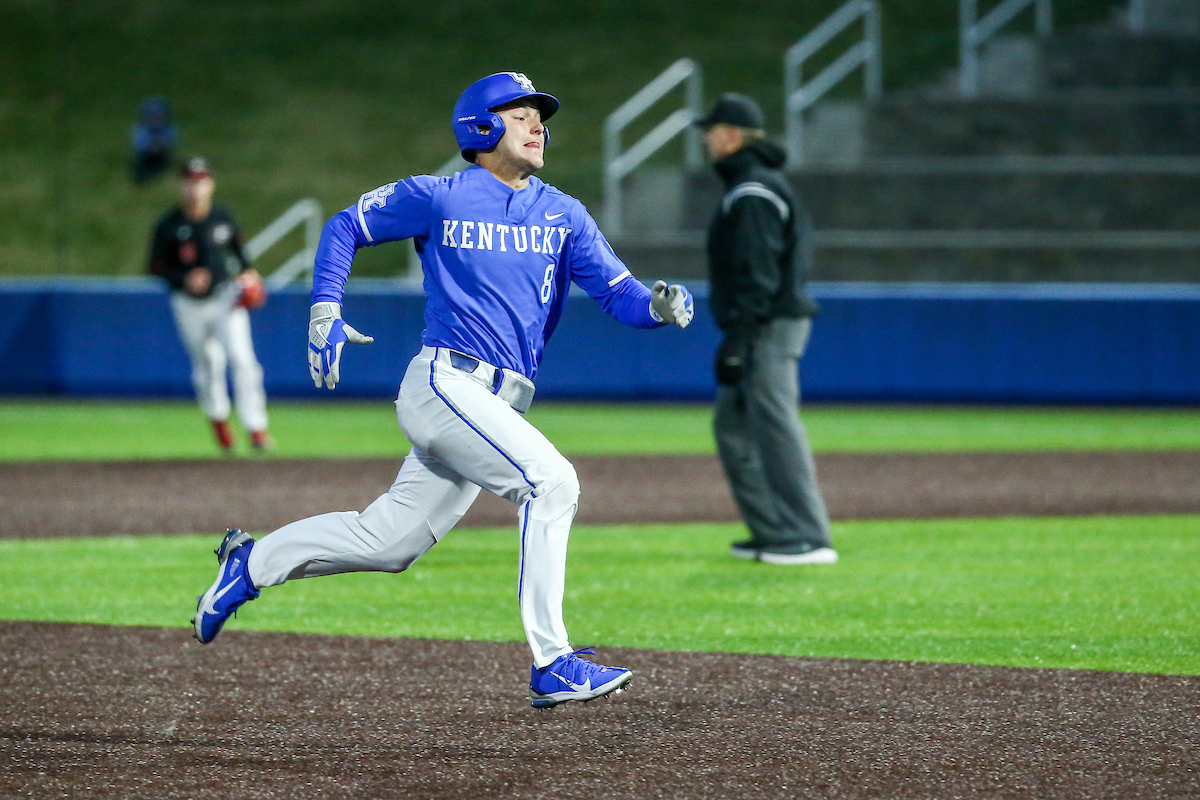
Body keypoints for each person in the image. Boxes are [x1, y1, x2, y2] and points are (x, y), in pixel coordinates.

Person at [190, 72, 694, 708]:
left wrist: (657, 304)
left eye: (542, 116)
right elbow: (346, 224)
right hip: (445, 382)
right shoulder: (439, 196)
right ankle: (553, 660)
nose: (540, 125)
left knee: (389, 541)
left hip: (495, 402)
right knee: (552, 482)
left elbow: (620, 296)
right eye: (521, 115)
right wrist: (324, 310)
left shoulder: (564, 214)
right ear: (481, 127)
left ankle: (251, 564)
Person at [695, 93, 836, 566]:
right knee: (732, 427)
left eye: (711, 131)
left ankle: (808, 536)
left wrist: (740, 337)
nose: (706, 139)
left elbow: (758, 271)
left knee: (774, 425)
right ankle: (775, 530)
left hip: (768, 325)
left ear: (731, 135)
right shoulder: (752, 185)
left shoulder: (754, 190)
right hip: (761, 322)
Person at [149, 156, 272, 453]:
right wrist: (184, 278)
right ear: (181, 185)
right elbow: (155, 267)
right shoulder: (168, 225)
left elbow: (241, 257)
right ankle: (219, 421)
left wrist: (248, 276)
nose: (195, 187)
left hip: (224, 297)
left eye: (201, 180)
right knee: (207, 362)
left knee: (243, 360)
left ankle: (256, 429)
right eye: (190, 181)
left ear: (210, 184)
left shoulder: (222, 218)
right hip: (188, 304)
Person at [130, 96, 178, 184]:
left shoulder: (167, 129)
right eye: (152, 115)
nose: (155, 118)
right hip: (146, 157)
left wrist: (161, 146)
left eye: (158, 115)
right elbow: (138, 146)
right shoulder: (142, 130)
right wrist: (149, 148)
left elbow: (171, 142)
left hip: (162, 156)